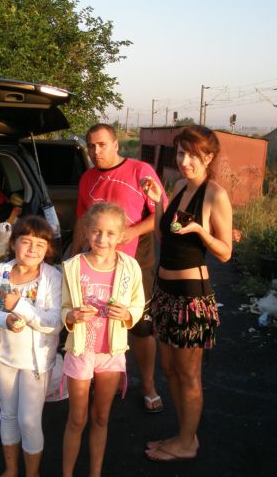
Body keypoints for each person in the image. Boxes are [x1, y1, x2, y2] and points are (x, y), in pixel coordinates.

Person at [140, 125, 233, 462]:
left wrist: (200, 231)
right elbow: (164, 238)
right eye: (181, 153)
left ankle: (186, 443)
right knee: (169, 368)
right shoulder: (179, 187)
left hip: (191, 298)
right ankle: (184, 435)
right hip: (165, 292)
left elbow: (226, 253)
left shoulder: (215, 195)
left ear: (209, 157)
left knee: (189, 373)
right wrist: (157, 204)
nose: (184, 161)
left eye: (193, 155)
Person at [71, 123, 168, 413]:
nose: (95, 151)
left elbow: (161, 213)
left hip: (136, 261)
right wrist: (73, 258)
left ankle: (148, 386)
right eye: (91, 146)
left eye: (102, 145)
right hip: (99, 264)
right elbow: (82, 221)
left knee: (140, 326)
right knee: (99, 319)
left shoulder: (140, 171)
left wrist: (132, 231)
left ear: (116, 145)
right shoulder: (87, 178)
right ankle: (106, 378)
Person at [0, 215, 63, 477]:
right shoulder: (0, 272)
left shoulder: (52, 278)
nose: (32, 249)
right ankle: (11, 470)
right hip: (5, 359)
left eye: (40, 244)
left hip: (35, 363)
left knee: (29, 420)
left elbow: (54, 323)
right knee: (8, 415)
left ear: (47, 249)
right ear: (13, 244)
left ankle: (31, 474)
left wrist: (20, 306)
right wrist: (4, 319)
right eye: (26, 242)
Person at [61, 203, 145, 477]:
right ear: (86, 231)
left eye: (110, 233)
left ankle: (95, 473)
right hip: (80, 350)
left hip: (111, 352)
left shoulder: (130, 267)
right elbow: (64, 307)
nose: (102, 239)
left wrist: (128, 314)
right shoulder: (73, 267)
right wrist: (71, 315)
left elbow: (138, 303)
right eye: (96, 231)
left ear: (121, 236)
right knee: (77, 419)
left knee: (101, 417)